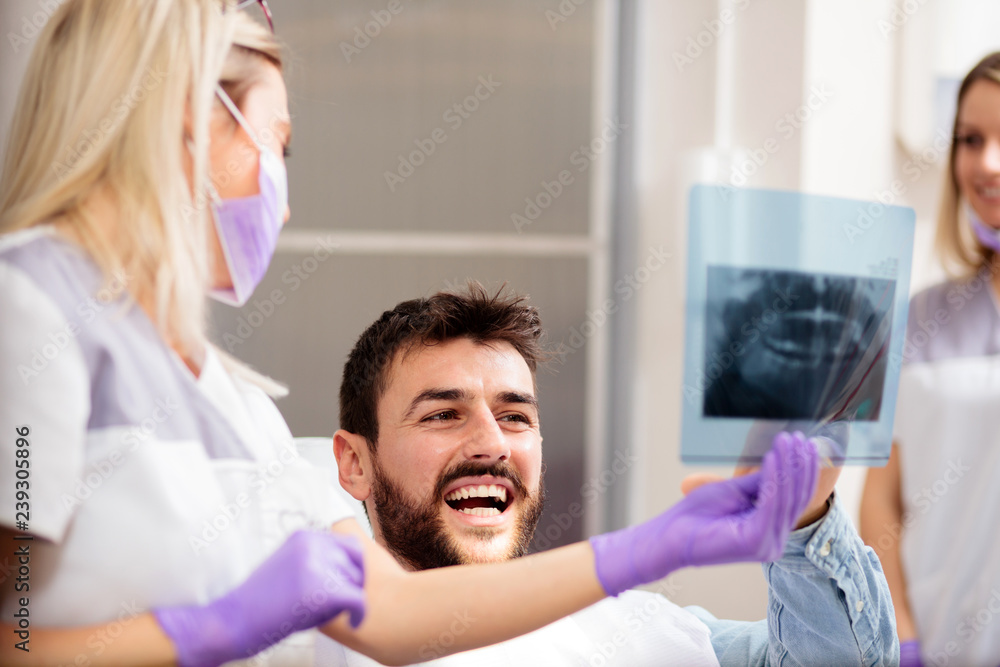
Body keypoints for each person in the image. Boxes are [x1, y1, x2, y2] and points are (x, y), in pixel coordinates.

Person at [0, 2, 838, 665]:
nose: (282, 201)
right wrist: (203, 631)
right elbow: (18, 633)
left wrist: (655, 547)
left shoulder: (231, 400)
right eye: (276, 144)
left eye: (516, 412)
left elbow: (393, 619)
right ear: (183, 115)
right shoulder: (31, 308)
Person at [322, 284, 899, 666]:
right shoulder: (312, 643)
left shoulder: (641, 634)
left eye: (515, 416)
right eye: (443, 415)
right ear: (355, 463)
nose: (492, 444)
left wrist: (803, 519)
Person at [860, 51, 1000, 667]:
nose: (987, 163)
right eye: (971, 139)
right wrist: (904, 635)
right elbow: (881, 501)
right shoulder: (923, 317)